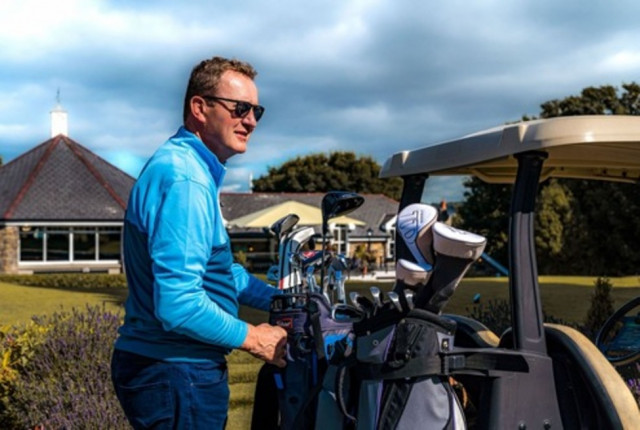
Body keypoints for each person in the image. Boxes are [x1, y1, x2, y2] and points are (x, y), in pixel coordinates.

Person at [111, 56, 287, 429]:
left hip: (172, 369)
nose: (251, 121)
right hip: (175, 370)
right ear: (199, 108)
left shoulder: (191, 170)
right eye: (239, 108)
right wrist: (254, 338)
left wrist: (279, 300)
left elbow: (221, 273)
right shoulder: (185, 179)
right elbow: (179, 305)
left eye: (257, 110)